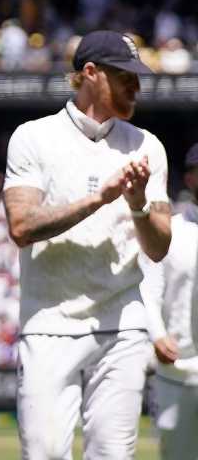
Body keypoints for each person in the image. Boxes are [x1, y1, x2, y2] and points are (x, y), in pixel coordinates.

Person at [2, 30, 172, 459]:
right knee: (44, 453)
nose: (136, 86)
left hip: (122, 325)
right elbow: (21, 225)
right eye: (125, 76)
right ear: (90, 74)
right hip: (48, 323)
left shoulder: (147, 145)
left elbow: (158, 247)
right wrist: (100, 198)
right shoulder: (33, 137)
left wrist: (137, 206)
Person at [140, 143, 198, 460]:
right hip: (177, 372)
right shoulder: (170, 231)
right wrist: (157, 335)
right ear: (190, 178)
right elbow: (148, 290)